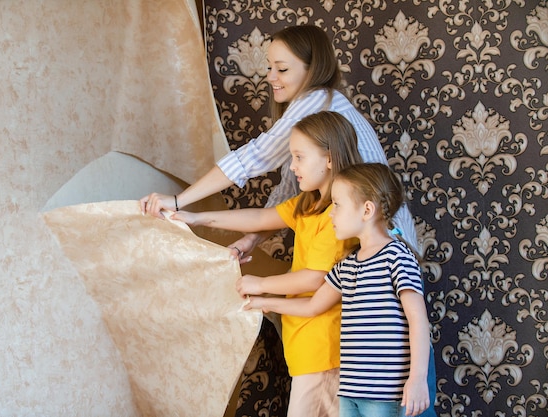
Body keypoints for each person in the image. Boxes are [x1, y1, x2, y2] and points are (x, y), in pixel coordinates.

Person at [139, 24, 417, 254]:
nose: (271, 77)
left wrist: (178, 201)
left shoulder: (316, 101)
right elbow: (287, 196)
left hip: (386, 241)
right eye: (269, 67)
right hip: (375, 240)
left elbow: (253, 158)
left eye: (281, 69)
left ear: (312, 70)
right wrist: (252, 239)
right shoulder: (314, 119)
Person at [172, 111, 363, 417]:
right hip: (307, 350)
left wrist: (261, 286)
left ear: (329, 158)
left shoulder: (335, 217)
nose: (292, 166)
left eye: (299, 157)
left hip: (326, 352)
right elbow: (261, 218)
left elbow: (316, 278)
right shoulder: (309, 205)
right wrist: (194, 217)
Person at [242, 162, 434, 417]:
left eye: (338, 205)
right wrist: (263, 301)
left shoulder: (397, 257)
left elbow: (418, 320)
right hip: (350, 391)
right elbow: (312, 305)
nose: (331, 214)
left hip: (386, 392)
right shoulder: (348, 266)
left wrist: (418, 379)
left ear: (367, 210)